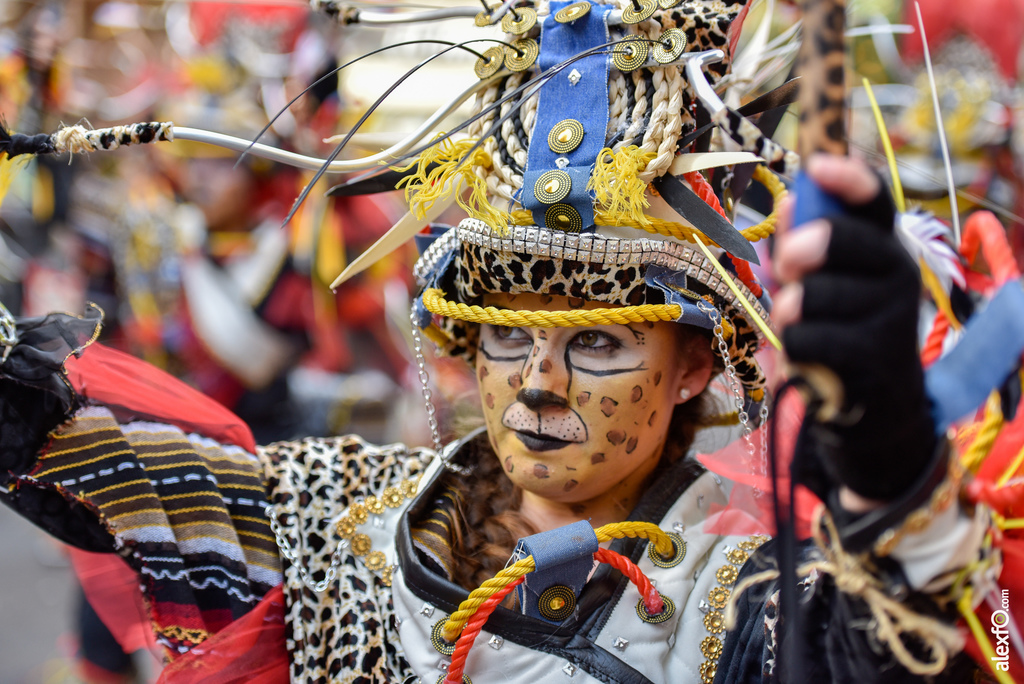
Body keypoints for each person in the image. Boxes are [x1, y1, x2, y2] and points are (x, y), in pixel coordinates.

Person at [0, 0, 1020, 682]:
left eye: (599, 346)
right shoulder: (339, 526)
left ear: (693, 370)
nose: (536, 383)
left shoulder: (738, 602)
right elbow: (80, 448)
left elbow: (897, 652)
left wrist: (891, 472)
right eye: (503, 341)